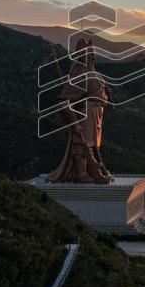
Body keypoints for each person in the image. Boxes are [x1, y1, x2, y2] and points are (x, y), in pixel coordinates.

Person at [49, 38, 114, 184]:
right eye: (89, 53)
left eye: (93, 53)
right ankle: (81, 174)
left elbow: (106, 98)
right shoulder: (79, 75)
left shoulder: (94, 74)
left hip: (97, 114)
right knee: (82, 144)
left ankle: (93, 171)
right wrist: (75, 122)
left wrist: (107, 93)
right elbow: (64, 103)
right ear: (82, 55)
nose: (93, 57)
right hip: (86, 113)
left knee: (93, 145)